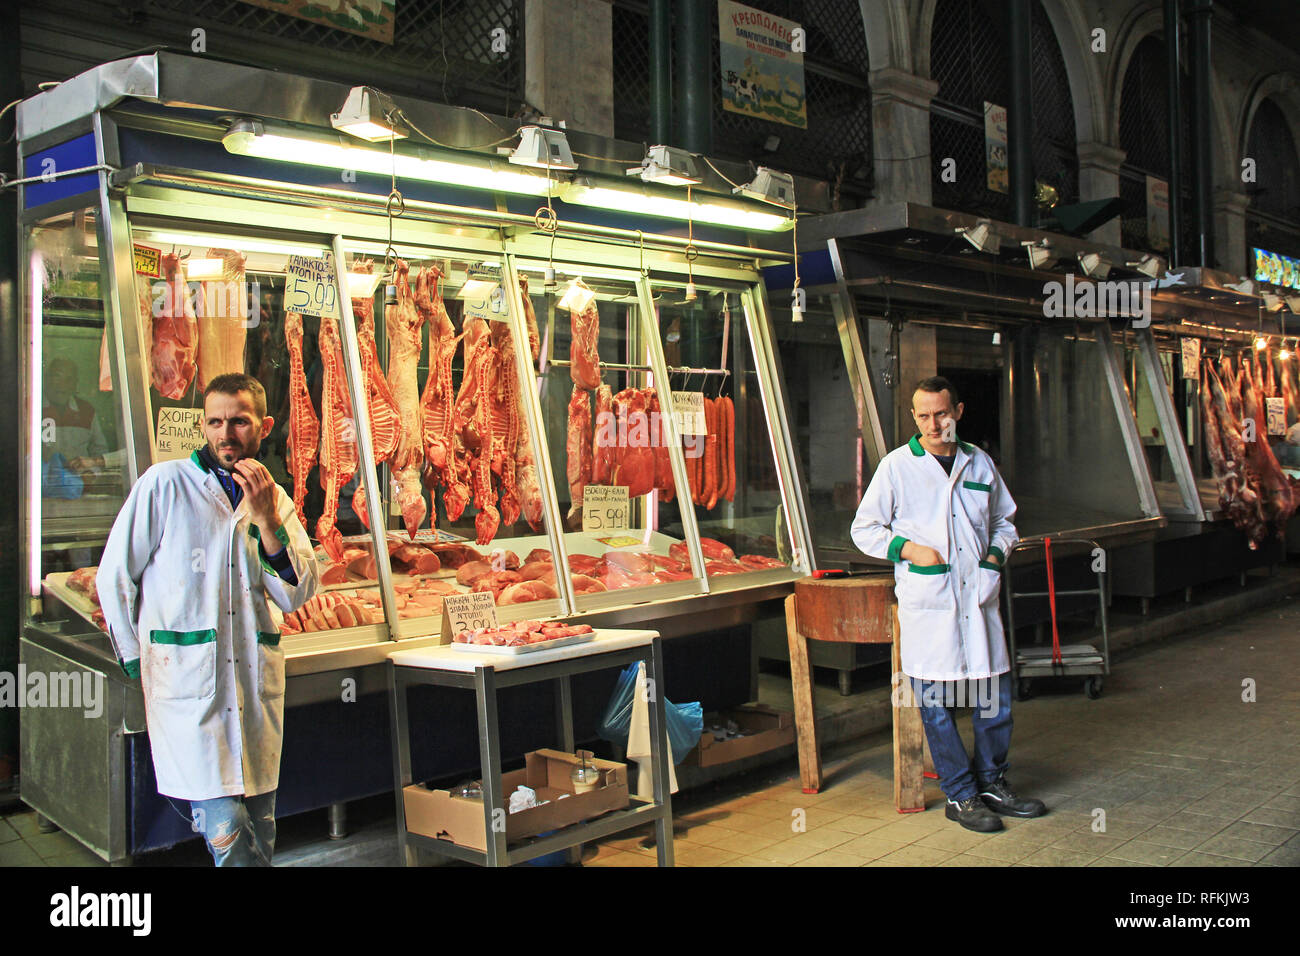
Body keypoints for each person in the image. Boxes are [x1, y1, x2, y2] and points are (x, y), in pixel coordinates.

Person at [97, 373, 320, 865]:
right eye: (216, 421)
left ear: (263, 426)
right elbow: (113, 577)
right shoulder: (164, 485)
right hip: (185, 685)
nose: (226, 433)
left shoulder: (274, 498)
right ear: (203, 424)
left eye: (239, 421)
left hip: (253, 689)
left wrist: (266, 520)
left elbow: (296, 592)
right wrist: (137, 663)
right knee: (230, 831)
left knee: (262, 828)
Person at [850, 376, 1046, 833]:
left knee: (995, 697)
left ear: (957, 411)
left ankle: (994, 782)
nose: (934, 423)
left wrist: (995, 558)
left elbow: (1005, 522)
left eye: (942, 413)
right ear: (914, 417)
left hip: (978, 599)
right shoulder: (897, 467)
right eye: (923, 415)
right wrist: (911, 551)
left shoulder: (980, 464)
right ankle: (961, 795)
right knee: (935, 703)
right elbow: (865, 530)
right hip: (929, 602)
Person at [42, 357, 123, 475]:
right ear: (47, 379)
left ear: (75, 384)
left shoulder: (87, 411)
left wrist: (91, 473)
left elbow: (99, 451)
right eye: (57, 377)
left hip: (80, 486)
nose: (62, 384)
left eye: (69, 379)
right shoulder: (33, 409)